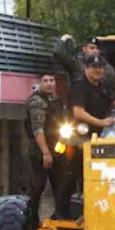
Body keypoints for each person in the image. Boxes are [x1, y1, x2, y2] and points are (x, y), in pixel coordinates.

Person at [24, 74, 71, 220]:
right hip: (40, 152)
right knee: (37, 188)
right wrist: (46, 153)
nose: (49, 84)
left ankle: (60, 220)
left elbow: (64, 125)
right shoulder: (37, 101)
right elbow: (38, 129)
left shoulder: (56, 99)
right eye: (45, 81)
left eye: (52, 80)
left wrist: (63, 144)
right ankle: (32, 222)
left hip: (58, 149)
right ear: (40, 83)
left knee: (62, 187)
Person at [70, 55, 115, 134]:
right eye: (94, 67)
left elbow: (114, 100)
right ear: (86, 68)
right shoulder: (79, 85)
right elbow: (78, 113)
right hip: (82, 132)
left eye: (100, 67)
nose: (98, 70)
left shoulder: (102, 84)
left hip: (102, 131)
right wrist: (101, 122)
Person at [52, 35, 115, 100]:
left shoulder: (106, 68)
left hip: (101, 110)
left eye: (97, 48)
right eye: (92, 48)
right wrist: (64, 37)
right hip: (79, 108)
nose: (95, 51)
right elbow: (58, 53)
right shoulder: (76, 65)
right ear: (84, 49)